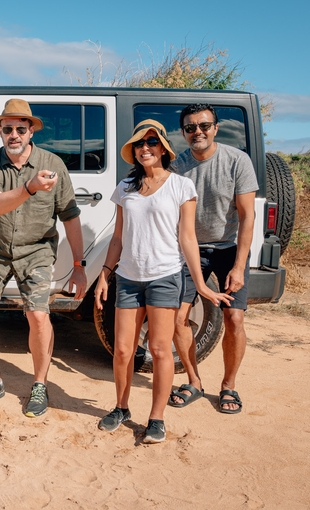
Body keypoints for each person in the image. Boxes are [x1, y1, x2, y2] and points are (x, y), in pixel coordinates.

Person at [94, 120, 232, 443]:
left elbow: (187, 239)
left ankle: (156, 417)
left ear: (163, 149)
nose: (146, 148)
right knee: (123, 350)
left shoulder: (181, 187)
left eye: (152, 142)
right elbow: (117, 238)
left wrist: (199, 283)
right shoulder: (125, 188)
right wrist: (104, 275)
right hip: (128, 278)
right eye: (140, 144)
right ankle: (121, 407)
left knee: (159, 349)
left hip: (164, 278)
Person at [0, 99, 87, 418]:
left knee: (38, 316)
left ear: (31, 130)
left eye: (21, 128)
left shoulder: (53, 164)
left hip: (37, 250)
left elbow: (70, 216)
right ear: (1, 132)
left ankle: (39, 384)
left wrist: (79, 266)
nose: (15, 134)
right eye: (8, 129)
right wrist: (30, 188)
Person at [170, 104, 259, 414]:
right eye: (191, 127)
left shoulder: (237, 161)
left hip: (229, 248)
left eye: (204, 125)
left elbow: (248, 217)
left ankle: (229, 385)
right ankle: (194, 381)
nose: (198, 132)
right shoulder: (177, 166)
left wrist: (239, 266)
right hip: (189, 248)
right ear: (183, 133)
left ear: (216, 128)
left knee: (234, 318)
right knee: (177, 318)